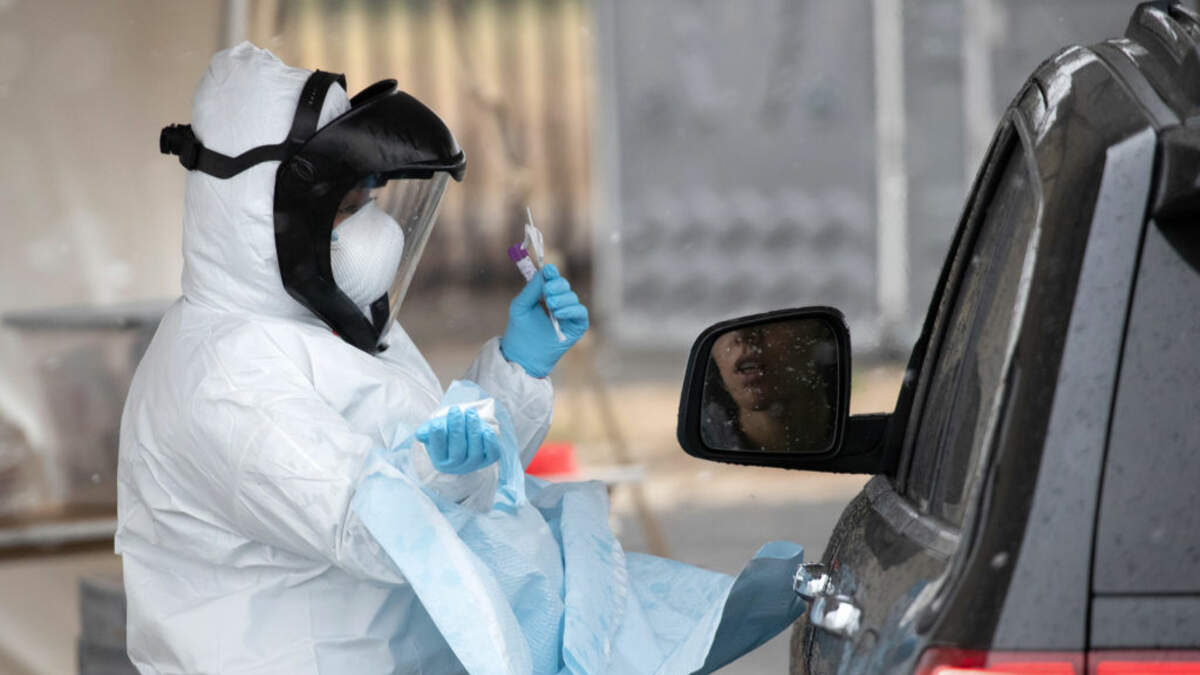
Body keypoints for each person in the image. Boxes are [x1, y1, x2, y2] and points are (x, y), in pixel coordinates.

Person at [115, 43, 587, 673]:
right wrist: (454, 451)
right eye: (347, 208)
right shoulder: (225, 377)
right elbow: (379, 532)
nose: (377, 232)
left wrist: (515, 373)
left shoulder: (329, 321)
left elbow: (457, 484)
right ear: (264, 213)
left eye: (370, 202)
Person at [703, 319, 837, 453]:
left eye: (776, 315)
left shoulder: (706, 441)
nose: (742, 334)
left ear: (821, 333)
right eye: (722, 319)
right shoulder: (703, 438)